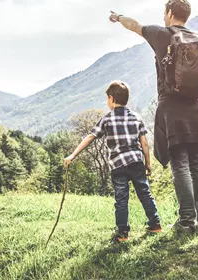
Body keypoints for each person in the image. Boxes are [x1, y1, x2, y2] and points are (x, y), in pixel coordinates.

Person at [109, 0, 198, 233]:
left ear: (169, 13)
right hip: (195, 107)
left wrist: (118, 17)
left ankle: (186, 221)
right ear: (186, 16)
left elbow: (134, 25)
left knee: (180, 163)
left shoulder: (161, 34)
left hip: (171, 107)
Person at [64, 81, 161, 243]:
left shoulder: (106, 120)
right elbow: (144, 143)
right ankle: (155, 225)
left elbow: (90, 137)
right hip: (137, 162)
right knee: (145, 193)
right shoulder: (136, 117)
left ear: (111, 98)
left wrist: (72, 155)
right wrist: (148, 164)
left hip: (118, 165)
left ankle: (123, 234)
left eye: (107, 99)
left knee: (121, 199)